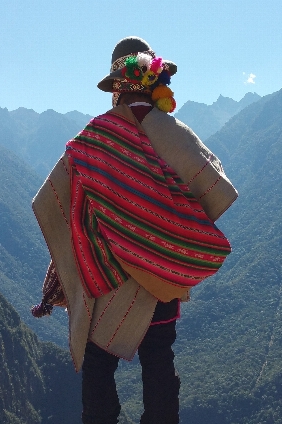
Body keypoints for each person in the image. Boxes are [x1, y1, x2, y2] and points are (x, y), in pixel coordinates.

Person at [31, 36, 238, 424]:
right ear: (153, 82)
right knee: (159, 358)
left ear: (117, 88)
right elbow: (216, 185)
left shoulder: (92, 139)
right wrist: (171, 232)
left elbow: (51, 200)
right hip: (161, 278)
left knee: (98, 365)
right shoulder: (173, 132)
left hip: (107, 279)